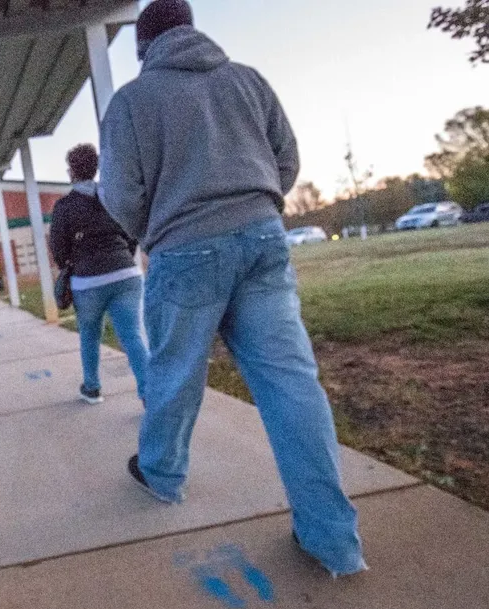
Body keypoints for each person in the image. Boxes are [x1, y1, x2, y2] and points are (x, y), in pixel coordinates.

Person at [98, 0, 365, 576]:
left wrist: (155, 230)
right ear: (192, 30)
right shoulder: (247, 80)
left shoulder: (130, 103)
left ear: (143, 48)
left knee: (175, 375)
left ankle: (163, 475)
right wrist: (256, 201)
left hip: (183, 249)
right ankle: (332, 543)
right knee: (292, 384)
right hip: (264, 241)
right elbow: (286, 159)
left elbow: (118, 194)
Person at [49, 144, 150, 405]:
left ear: (72, 172)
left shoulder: (64, 207)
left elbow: (58, 248)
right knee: (133, 336)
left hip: (88, 280)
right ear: (95, 169)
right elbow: (131, 233)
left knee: (90, 336)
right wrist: (122, 256)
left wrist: (73, 264)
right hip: (126, 274)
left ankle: (92, 388)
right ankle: (151, 393)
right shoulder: (112, 199)